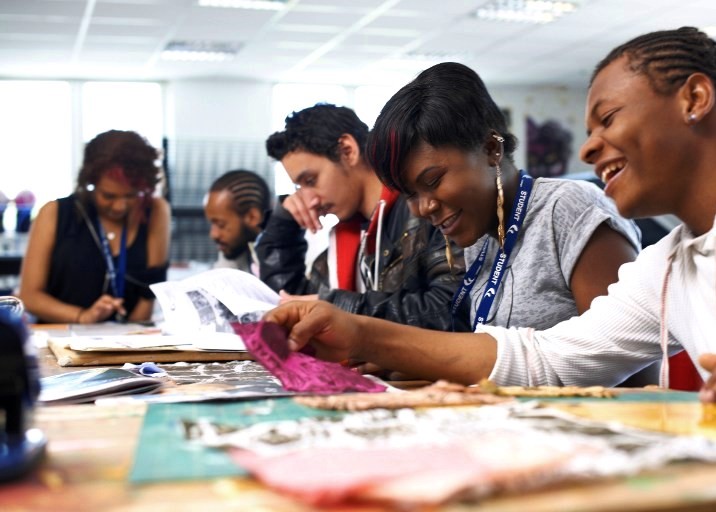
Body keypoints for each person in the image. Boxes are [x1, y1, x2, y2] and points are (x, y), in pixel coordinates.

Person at [264, 27, 716, 402]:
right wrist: (372, 341)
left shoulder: (568, 207)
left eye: (609, 118)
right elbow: (548, 357)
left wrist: (366, 334)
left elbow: (626, 383)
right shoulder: (671, 265)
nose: (588, 147)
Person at [368, 61, 640, 335]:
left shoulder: (568, 208)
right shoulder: (480, 242)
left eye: (433, 181)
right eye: (410, 194)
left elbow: (629, 360)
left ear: (491, 149)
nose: (424, 207)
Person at [257, 103, 467, 332]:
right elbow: (292, 303)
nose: (310, 200)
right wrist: (284, 221)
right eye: (299, 186)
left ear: (347, 150)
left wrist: (338, 307)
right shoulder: (350, 235)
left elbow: (451, 310)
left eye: (310, 180)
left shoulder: (427, 210)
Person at [19, 130, 170, 324]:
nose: (120, 206)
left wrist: (127, 343)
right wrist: (83, 317)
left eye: (131, 195)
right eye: (108, 196)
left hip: (127, 340)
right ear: (90, 181)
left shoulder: (155, 211)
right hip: (62, 337)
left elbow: (147, 296)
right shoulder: (54, 213)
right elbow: (30, 296)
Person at [204, 169, 271, 275]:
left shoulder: (287, 256)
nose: (213, 234)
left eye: (221, 225)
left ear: (252, 217)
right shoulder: (235, 247)